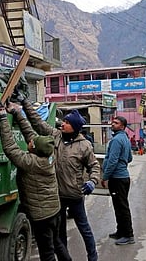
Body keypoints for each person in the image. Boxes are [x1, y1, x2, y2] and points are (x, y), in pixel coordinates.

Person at [12, 98, 100, 261]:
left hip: (74, 195)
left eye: (67, 122)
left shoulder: (84, 146)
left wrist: (92, 182)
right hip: (56, 196)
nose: (62, 124)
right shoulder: (55, 135)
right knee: (59, 234)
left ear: (74, 127)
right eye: (64, 121)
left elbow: (94, 166)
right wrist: (25, 103)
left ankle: (93, 257)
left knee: (84, 229)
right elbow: (38, 123)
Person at [0, 101, 71, 261]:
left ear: (34, 149)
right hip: (54, 211)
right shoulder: (48, 155)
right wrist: (16, 113)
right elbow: (31, 134)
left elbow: (10, 148)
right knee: (56, 242)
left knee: (47, 252)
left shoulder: (32, 163)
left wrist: (2, 117)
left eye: (31, 144)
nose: (29, 141)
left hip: (42, 216)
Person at [101, 116, 135, 246]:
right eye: (112, 122)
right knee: (119, 206)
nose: (112, 124)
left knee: (122, 207)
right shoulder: (125, 138)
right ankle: (120, 231)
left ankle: (128, 235)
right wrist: (123, 163)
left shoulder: (116, 140)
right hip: (123, 178)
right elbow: (130, 158)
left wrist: (105, 176)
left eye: (116, 123)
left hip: (118, 178)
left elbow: (112, 161)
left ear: (122, 126)